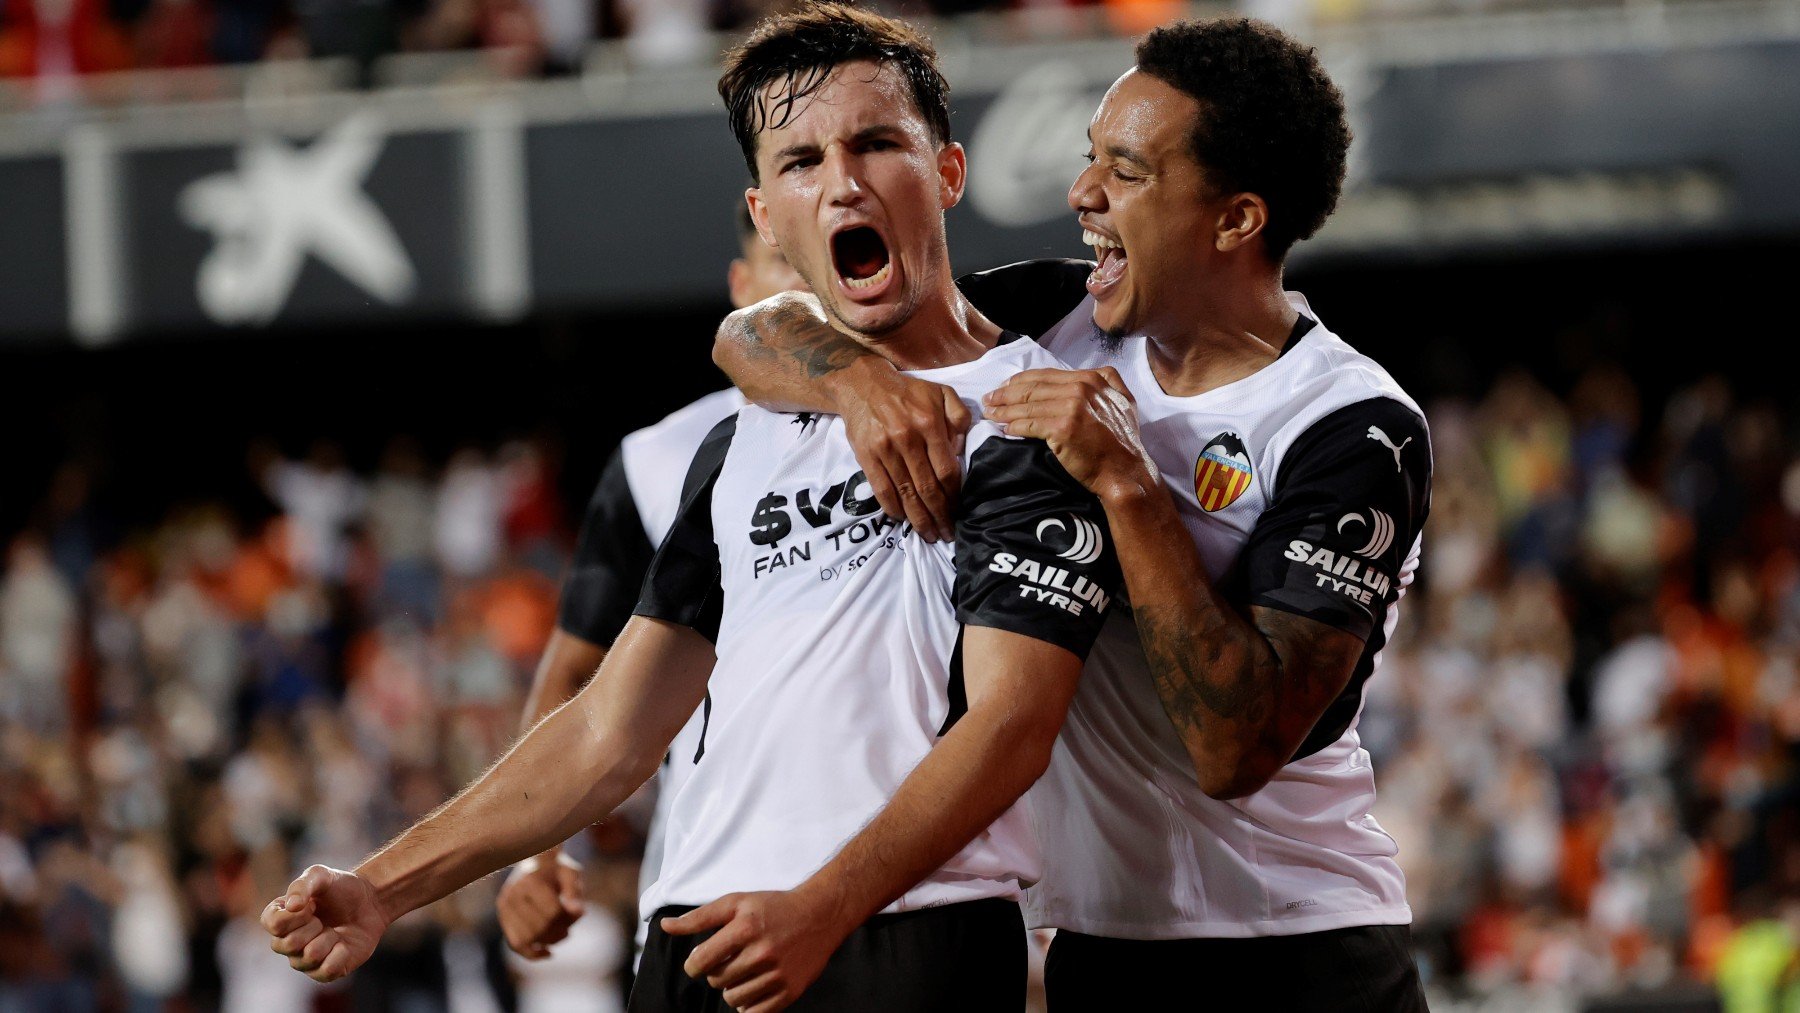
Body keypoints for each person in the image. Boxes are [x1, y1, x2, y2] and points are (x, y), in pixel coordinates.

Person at [259, 6, 1122, 1012]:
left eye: (878, 143)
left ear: (949, 173)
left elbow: (1015, 726)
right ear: (764, 215)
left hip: (899, 931)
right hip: (694, 940)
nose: (842, 179)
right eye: (801, 160)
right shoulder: (740, 439)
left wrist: (822, 905)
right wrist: (381, 884)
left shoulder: (1034, 405)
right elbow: (609, 730)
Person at [712, 17, 1432, 1011]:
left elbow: (1235, 748)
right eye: (1090, 158)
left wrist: (1129, 486)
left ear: (1234, 220)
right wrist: (856, 382)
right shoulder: (1057, 315)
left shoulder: (1351, 427)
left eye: (1126, 171)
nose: (1081, 194)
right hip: (1098, 943)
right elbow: (753, 331)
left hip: (1293, 947)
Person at [493, 201, 804, 967]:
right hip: (701, 879)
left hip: (907, 887)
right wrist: (534, 855)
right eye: (783, 263)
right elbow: (573, 672)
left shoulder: (933, 414)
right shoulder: (658, 459)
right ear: (742, 283)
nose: (806, 288)